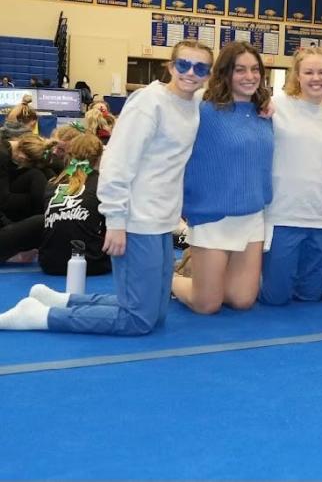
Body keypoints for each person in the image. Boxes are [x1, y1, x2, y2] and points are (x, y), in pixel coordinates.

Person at [0, 40, 213, 334]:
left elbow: (230, 95)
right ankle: (40, 317)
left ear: (208, 74)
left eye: (200, 67)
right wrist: (115, 220)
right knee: (138, 320)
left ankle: (65, 301)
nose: (191, 72)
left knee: (157, 310)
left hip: (162, 220)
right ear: (170, 66)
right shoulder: (149, 103)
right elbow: (116, 161)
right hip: (137, 219)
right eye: (183, 65)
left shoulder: (195, 104)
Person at [173, 41, 273, 315]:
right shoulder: (201, 109)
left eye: (255, 69)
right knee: (207, 305)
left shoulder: (265, 113)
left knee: (241, 300)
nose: (249, 76)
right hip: (211, 215)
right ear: (225, 73)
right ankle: (171, 279)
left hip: (251, 216)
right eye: (240, 70)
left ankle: (206, 276)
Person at [259, 47, 322, 306]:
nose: (316, 78)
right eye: (308, 72)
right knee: (276, 298)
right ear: (297, 75)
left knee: (310, 296)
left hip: (319, 216)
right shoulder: (277, 104)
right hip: (284, 215)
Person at [0, 133, 111, 276]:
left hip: (50, 263)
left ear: (68, 156)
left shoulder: (53, 184)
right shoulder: (103, 184)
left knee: (45, 221)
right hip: (92, 264)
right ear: (98, 159)